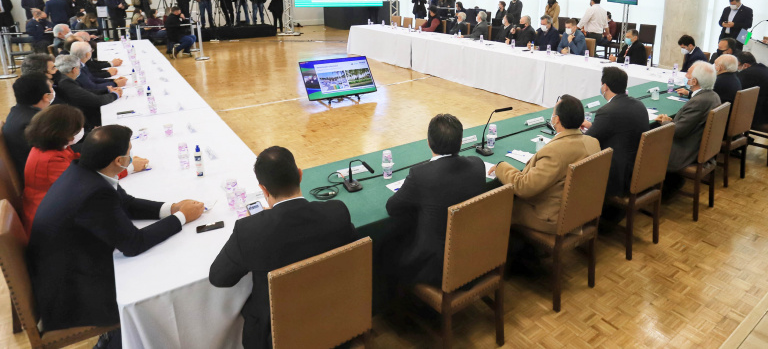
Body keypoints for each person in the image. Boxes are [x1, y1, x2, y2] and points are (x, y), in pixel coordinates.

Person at [28, 125, 204, 346]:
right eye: (130, 150)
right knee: (158, 284)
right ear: (119, 161)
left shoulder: (84, 170)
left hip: (67, 267)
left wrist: (172, 208)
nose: (133, 154)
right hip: (70, 293)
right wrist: (181, 218)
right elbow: (133, 244)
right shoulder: (95, 192)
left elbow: (126, 203)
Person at [210, 147, 358, 349]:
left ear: (263, 189)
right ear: (300, 175)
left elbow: (219, 277)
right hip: (336, 325)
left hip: (275, 338)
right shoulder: (337, 212)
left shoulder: (250, 230)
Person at [385, 114, 487, 286]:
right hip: (475, 256)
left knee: (387, 251)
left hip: (438, 268)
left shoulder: (421, 174)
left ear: (428, 142)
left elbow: (392, 207)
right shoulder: (478, 164)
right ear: (461, 143)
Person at [492, 95, 600, 234]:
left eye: (553, 114)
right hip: (582, 211)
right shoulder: (593, 142)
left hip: (554, 218)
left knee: (500, 206)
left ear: (557, 119)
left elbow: (524, 187)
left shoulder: (555, 152)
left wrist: (501, 167)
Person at [582, 67, 649, 201]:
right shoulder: (639, 105)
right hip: (641, 169)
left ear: (605, 87)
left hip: (619, 176)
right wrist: (593, 125)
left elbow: (587, 140)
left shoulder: (607, 111)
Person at [21, 105, 85, 234]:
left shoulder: (51, 145)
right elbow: (82, 186)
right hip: (49, 228)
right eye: (75, 131)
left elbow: (76, 162)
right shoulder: (51, 161)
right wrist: (120, 168)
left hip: (52, 213)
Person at [654, 62, 721, 184]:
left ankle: (651, 185)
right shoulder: (713, 96)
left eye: (688, 73)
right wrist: (671, 122)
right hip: (697, 144)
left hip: (685, 150)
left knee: (643, 143)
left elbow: (678, 132)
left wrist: (664, 123)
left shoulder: (698, 101)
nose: (685, 75)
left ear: (694, 81)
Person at [2, 74, 55, 180]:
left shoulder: (18, 111)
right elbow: (58, 146)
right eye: (51, 88)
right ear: (45, 96)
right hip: (41, 175)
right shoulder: (35, 122)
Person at [54, 54, 120, 130]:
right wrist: (115, 95)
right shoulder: (66, 82)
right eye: (79, 68)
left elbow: (85, 92)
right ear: (74, 70)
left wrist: (107, 90)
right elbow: (96, 100)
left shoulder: (63, 79)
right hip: (87, 121)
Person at [737, 52, 768, 127]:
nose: (736, 68)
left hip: (763, 115)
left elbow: (738, 91)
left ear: (745, 65)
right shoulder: (763, 67)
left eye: (737, 66)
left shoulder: (748, 74)